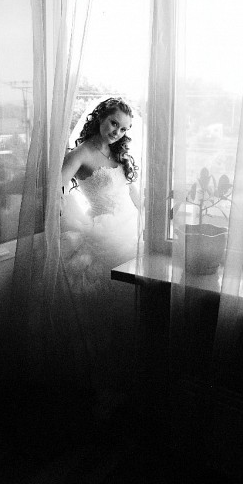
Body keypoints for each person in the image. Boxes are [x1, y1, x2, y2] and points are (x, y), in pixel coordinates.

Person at [59, 97, 140, 417]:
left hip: (130, 231)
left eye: (123, 129)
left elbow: (133, 194)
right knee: (104, 318)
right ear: (100, 118)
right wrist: (76, 222)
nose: (117, 132)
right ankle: (106, 389)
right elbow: (56, 189)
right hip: (103, 237)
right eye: (113, 123)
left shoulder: (119, 154)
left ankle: (129, 385)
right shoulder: (80, 153)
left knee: (129, 313)